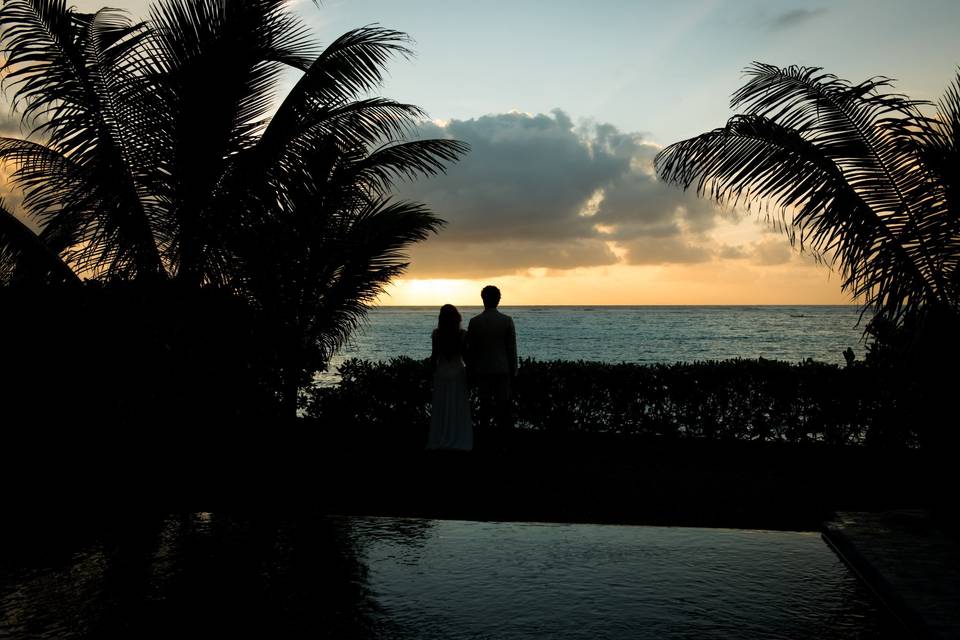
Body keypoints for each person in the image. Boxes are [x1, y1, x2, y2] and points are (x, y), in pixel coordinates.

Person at [467, 286, 517, 448]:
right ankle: (504, 440)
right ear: (499, 299)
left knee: (484, 406)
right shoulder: (507, 320)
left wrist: (471, 370)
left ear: (483, 299)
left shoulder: (475, 322)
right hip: (502, 369)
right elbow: (511, 348)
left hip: (482, 369)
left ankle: (484, 440)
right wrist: (514, 370)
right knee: (504, 406)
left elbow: (471, 349)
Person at [426, 304, 473, 451]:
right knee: (457, 407)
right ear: (456, 317)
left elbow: (434, 357)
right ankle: (457, 436)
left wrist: (430, 374)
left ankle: (440, 436)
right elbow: (467, 358)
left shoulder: (436, 334)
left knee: (441, 406)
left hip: (441, 373)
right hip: (458, 373)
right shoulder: (463, 335)